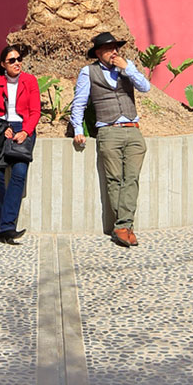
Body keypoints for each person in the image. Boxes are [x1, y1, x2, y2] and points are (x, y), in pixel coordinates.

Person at [70, 31, 150, 246]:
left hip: (133, 129)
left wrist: (128, 69)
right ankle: (125, 227)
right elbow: (79, 102)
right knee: (114, 179)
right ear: (98, 53)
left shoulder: (127, 68)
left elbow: (145, 87)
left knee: (131, 178)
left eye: (116, 48)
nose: (114, 52)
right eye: (109, 49)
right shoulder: (88, 72)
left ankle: (122, 226)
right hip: (108, 130)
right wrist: (78, 128)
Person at [0, 41, 39, 243]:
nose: (17, 63)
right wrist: (2, 128)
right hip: (1, 129)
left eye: (19, 59)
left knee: (19, 173)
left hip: (23, 128)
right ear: (3, 64)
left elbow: (36, 111)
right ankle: (6, 228)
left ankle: (6, 227)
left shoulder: (30, 81)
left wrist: (26, 132)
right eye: (12, 60)